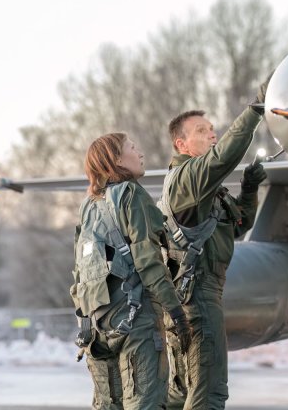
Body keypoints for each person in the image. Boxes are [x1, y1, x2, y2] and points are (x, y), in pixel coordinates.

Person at [161, 79, 269, 410]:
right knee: (208, 394)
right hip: (198, 301)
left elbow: (237, 227)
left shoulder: (207, 192)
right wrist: (255, 110)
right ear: (182, 144)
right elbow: (222, 159)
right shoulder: (187, 180)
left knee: (182, 395)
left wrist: (249, 190)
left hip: (187, 302)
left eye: (213, 129)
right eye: (202, 131)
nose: (212, 134)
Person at [71, 133, 191, 410]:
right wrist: (175, 313)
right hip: (136, 321)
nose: (140, 153)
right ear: (116, 160)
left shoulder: (88, 207)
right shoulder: (131, 195)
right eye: (133, 148)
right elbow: (149, 262)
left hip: (97, 327)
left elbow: (78, 272)